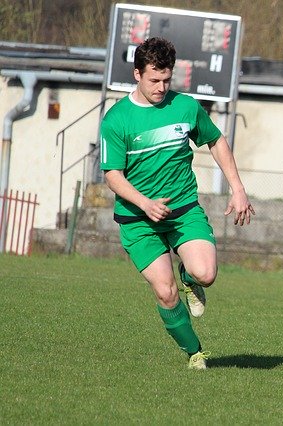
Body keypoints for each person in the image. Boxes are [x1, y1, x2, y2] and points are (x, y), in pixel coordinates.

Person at [100, 37, 254, 370]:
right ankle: (195, 352)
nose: (161, 87)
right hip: (138, 220)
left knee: (206, 273)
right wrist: (145, 203)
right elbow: (112, 175)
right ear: (137, 74)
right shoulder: (116, 120)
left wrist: (237, 187)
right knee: (165, 293)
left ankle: (190, 276)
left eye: (166, 80)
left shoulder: (185, 106)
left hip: (183, 210)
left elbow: (215, 140)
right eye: (154, 80)